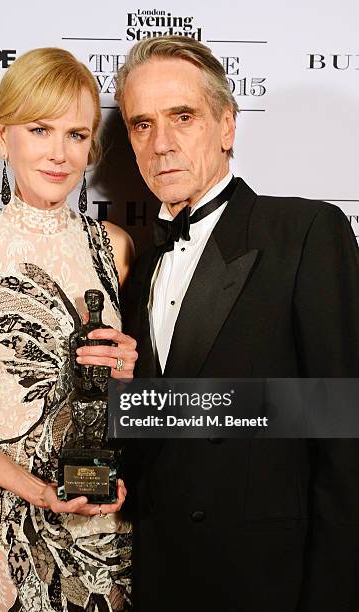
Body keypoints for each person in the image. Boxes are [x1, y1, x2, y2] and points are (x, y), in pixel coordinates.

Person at [114, 35, 359, 612]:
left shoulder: (304, 233)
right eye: (141, 125)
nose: (162, 144)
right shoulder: (135, 265)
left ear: (227, 126)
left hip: (268, 583)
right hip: (155, 577)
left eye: (183, 117)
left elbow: (342, 428)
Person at [0, 47, 137, 612]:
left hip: (114, 526)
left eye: (77, 134)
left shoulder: (115, 248)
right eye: (40, 129)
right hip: (21, 529)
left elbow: (147, 395)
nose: (59, 154)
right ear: (2, 136)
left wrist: (134, 374)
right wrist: (40, 494)